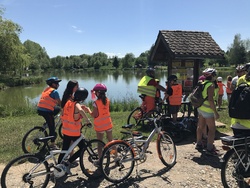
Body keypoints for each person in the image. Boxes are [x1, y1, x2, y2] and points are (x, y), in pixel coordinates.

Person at [58, 87, 91, 174]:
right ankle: (68, 162)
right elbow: (79, 110)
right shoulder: (76, 105)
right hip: (74, 132)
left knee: (64, 149)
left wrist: (81, 107)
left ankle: (58, 167)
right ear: (83, 98)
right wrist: (88, 121)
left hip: (66, 131)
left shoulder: (68, 102)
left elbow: (69, 112)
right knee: (83, 148)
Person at [195, 68, 220, 156]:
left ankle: (198, 144)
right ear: (212, 76)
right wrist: (215, 112)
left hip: (201, 108)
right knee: (212, 129)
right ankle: (209, 148)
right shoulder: (211, 85)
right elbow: (210, 100)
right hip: (208, 110)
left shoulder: (203, 83)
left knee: (200, 126)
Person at [87, 83, 114, 158]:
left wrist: (88, 109)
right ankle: (115, 155)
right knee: (111, 142)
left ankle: (100, 159)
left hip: (100, 126)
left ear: (98, 93)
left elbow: (94, 115)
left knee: (100, 143)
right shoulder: (107, 100)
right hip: (108, 124)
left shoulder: (95, 103)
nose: (94, 93)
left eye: (95, 92)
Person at [37, 76, 62, 150]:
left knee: (57, 109)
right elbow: (60, 103)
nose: (58, 85)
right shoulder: (54, 91)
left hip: (40, 109)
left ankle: (47, 123)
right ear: (53, 84)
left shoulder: (46, 89)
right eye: (57, 83)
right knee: (52, 128)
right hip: (46, 111)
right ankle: (53, 145)